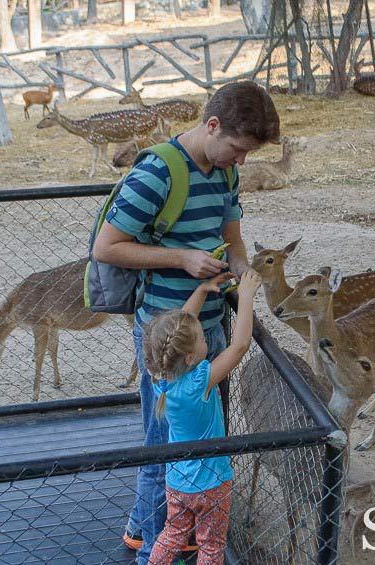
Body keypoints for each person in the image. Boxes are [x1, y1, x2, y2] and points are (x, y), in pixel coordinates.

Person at [92, 81, 280, 563]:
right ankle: (154, 552)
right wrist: (182, 260)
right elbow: (107, 247)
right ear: (212, 126)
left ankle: (144, 527)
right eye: (237, 149)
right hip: (168, 332)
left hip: (211, 324)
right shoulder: (157, 172)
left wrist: (241, 274)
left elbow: (232, 239)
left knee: (193, 438)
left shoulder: (226, 172)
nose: (240, 162)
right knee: (169, 450)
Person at [144, 270, 261, 564]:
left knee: (172, 533)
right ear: (188, 357)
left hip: (177, 481)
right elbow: (240, 347)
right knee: (211, 544)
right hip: (212, 482)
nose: (203, 340)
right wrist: (245, 297)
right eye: (199, 339)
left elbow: (178, 330)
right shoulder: (200, 381)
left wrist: (201, 290)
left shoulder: (160, 375)